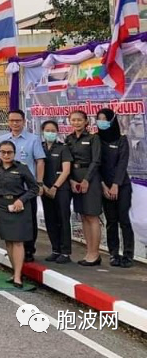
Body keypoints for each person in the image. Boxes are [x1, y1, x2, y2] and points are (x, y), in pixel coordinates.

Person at [0, 140, 40, 290]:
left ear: (14, 153)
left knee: (17, 242)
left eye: (9, 152)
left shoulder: (21, 168)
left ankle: (18, 275)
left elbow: (34, 188)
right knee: (9, 241)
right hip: (2, 207)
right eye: (3, 152)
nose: (6, 155)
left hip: (18, 208)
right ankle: (14, 271)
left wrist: (21, 200)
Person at [0, 109, 45, 262]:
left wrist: (39, 183)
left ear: (24, 121)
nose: (15, 123)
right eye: (11, 121)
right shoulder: (3, 138)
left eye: (18, 120)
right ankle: (13, 249)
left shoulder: (33, 139)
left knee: (28, 221)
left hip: (26, 189)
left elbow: (40, 161)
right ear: (8, 122)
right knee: (10, 221)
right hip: (7, 188)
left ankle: (29, 250)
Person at [97, 108, 134, 268]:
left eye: (104, 119)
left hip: (122, 186)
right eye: (98, 119)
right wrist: (104, 186)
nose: (101, 122)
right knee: (111, 221)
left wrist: (116, 185)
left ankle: (128, 255)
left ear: (111, 121)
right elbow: (96, 165)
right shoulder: (96, 140)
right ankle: (114, 254)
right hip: (104, 186)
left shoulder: (121, 140)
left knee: (124, 220)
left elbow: (122, 164)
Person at [65, 109, 103, 265]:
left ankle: (95, 253)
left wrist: (86, 180)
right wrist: (72, 181)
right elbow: (67, 161)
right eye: (73, 120)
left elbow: (96, 161)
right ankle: (89, 252)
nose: (76, 123)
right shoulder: (69, 139)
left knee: (92, 216)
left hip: (90, 178)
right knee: (83, 216)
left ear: (86, 121)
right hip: (75, 179)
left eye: (79, 120)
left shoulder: (94, 138)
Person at [38, 120, 72, 265]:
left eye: (53, 130)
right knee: (50, 219)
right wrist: (44, 187)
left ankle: (65, 252)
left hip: (61, 189)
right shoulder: (39, 148)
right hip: (45, 189)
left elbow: (66, 170)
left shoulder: (63, 148)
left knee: (63, 219)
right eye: (47, 130)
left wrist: (55, 187)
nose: (50, 133)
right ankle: (55, 249)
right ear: (42, 131)